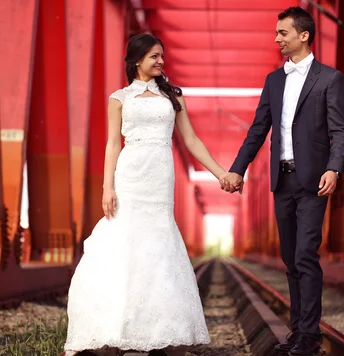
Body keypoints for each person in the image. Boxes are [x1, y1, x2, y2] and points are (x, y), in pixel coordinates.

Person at [64, 33, 230, 356]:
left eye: (162, 56)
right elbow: (113, 144)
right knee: (124, 240)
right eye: (154, 56)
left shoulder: (173, 97)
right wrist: (107, 186)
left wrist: (220, 173)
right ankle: (117, 325)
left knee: (158, 242)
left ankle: (157, 328)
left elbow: (192, 141)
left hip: (160, 178)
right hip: (130, 176)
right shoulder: (119, 98)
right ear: (137, 60)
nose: (160, 61)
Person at [221, 6, 344, 355]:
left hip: (313, 180)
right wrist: (237, 168)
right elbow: (258, 129)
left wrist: (333, 169)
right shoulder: (274, 80)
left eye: (283, 33)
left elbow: (340, 130)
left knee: (307, 254)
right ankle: (298, 332)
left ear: (303, 35)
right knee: (291, 259)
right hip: (283, 180)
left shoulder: (329, 79)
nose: (276, 38)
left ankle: (309, 335)